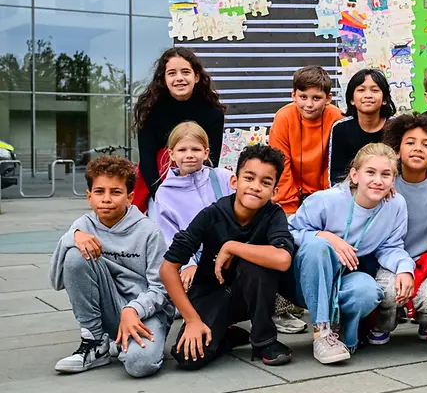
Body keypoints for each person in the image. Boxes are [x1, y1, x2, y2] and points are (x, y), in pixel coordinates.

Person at [160, 145, 295, 369]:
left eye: (265, 182)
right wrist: (191, 319)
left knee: (258, 264)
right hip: (211, 293)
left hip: (251, 294)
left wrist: (232, 246)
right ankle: (226, 335)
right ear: (234, 182)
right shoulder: (211, 214)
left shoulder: (273, 214)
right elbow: (167, 269)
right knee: (188, 358)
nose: (255, 187)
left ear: (275, 191)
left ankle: (264, 340)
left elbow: (282, 259)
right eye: (249, 178)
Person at [285, 143, 413, 364]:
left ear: (393, 180)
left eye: (386, 174)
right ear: (355, 175)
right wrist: (328, 237)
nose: (378, 180)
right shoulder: (326, 200)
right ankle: (322, 333)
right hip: (308, 280)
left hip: (345, 278)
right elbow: (291, 231)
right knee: (318, 246)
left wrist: (405, 268)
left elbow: (390, 246)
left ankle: (344, 331)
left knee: (368, 289)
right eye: (370, 172)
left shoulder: (396, 204)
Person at [48, 156, 173, 377]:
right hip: (110, 308)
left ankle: (128, 344)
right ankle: (96, 342)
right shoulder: (83, 226)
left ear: (130, 197)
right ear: (89, 197)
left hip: (143, 312)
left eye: (115, 192)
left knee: (139, 364)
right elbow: (57, 280)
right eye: (99, 192)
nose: (106, 199)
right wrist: (71, 238)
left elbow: (161, 289)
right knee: (76, 256)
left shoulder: (149, 232)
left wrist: (134, 309)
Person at [366, 113, 427, 344]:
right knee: (388, 292)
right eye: (410, 143)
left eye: (426, 145)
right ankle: (384, 322)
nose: (418, 149)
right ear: (397, 151)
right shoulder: (385, 182)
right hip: (390, 261)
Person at [132, 47, 225, 212]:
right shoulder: (150, 110)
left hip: (198, 185)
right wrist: (161, 196)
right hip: (160, 185)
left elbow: (211, 161)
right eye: (172, 73)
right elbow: (147, 162)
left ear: (196, 76)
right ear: (163, 79)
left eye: (185, 72)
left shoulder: (213, 113)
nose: (179, 78)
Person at [150, 121, 232, 294]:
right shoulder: (164, 194)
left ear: (206, 152)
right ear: (171, 154)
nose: (189, 155)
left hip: (231, 252)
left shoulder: (223, 178)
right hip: (194, 259)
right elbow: (169, 237)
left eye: (195, 149)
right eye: (182, 150)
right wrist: (187, 264)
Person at [270, 65, 344, 215]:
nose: (309, 104)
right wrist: (289, 207)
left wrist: (326, 200)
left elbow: (334, 165)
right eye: (303, 97)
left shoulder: (337, 118)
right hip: (290, 196)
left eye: (316, 98)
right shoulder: (284, 118)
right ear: (294, 96)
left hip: (327, 196)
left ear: (328, 98)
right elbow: (281, 164)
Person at [329, 68, 395, 185]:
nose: (368, 95)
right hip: (351, 193)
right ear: (351, 99)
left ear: (384, 99)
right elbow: (336, 176)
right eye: (361, 90)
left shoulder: (396, 127)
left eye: (374, 90)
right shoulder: (341, 129)